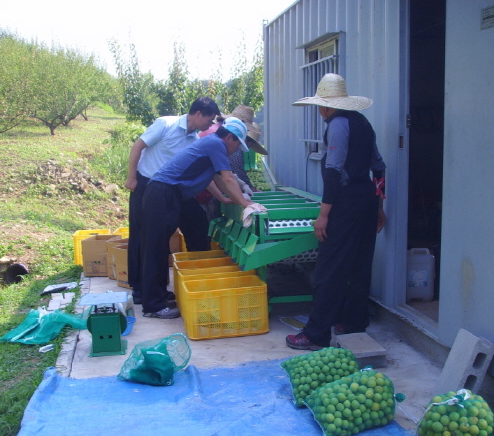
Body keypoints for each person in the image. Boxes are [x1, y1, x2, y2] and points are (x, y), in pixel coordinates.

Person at [286, 73, 387, 350]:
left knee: (329, 268)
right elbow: (378, 167)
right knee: (358, 264)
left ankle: (316, 334)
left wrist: (324, 214)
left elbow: (333, 171)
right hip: (366, 198)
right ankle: (354, 323)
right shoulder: (363, 123)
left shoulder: (338, 124)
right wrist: (378, 207)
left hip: (345, 202)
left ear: (325, 106)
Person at [139, 117, 266, 319]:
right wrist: (245, 203)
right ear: (230, 137)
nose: (235, 150)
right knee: (156, 247)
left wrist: (224, 198)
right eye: (237, 145)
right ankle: (152, 305)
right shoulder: (216, 143)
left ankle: (160, 295)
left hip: (170, 194)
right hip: (162, 193)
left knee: (172, 239)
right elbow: (228, 177)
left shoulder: (212, 145)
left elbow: (214, 178)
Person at [125, 97, 221, 305]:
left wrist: (221, 196)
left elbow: (205, 175)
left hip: (172, 191)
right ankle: (141, 290)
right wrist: (131, 177)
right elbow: (137, 147)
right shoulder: (166, 124)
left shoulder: (194, 140)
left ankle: (196, 278)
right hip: (146, 185)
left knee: (197, 225)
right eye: (209, 119)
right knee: (144, 238)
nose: (210, 125)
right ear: (198, 114)